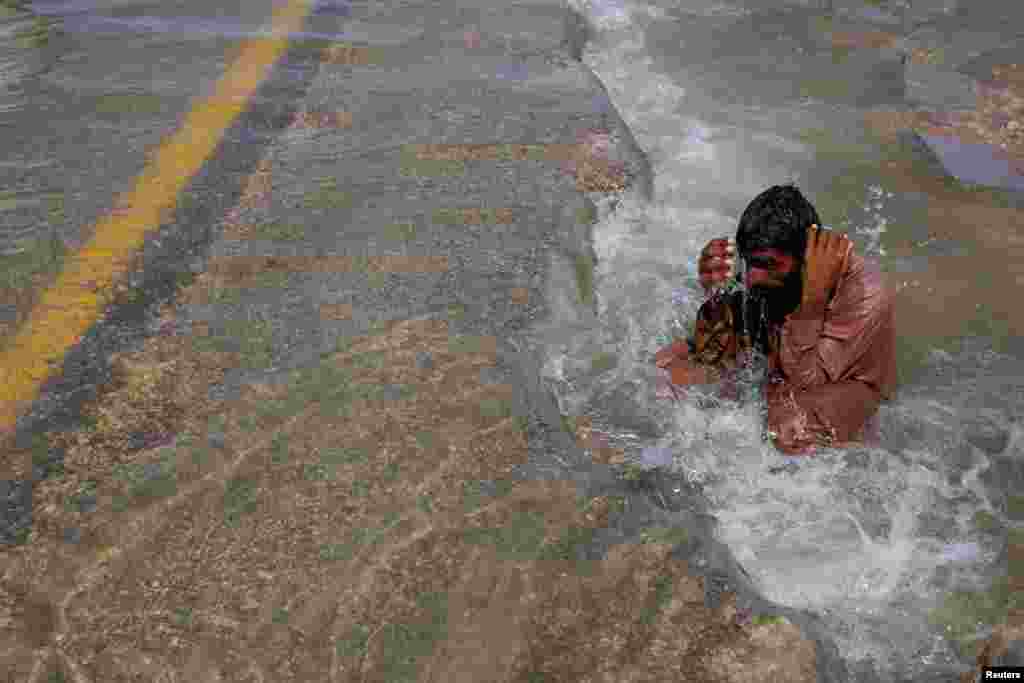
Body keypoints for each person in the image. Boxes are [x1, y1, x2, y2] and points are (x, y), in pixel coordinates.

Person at [654, 184, 897, 455]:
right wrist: (715, 298)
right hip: (780, 366)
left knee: (789, 423)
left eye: (769, 264)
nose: (753, 278)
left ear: (804, 258)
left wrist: (812, 305)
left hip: (847, 389)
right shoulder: (755, 271)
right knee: (664, 368)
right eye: (751, 263)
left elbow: (807, 384)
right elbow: (711, 353)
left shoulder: (863, 292)